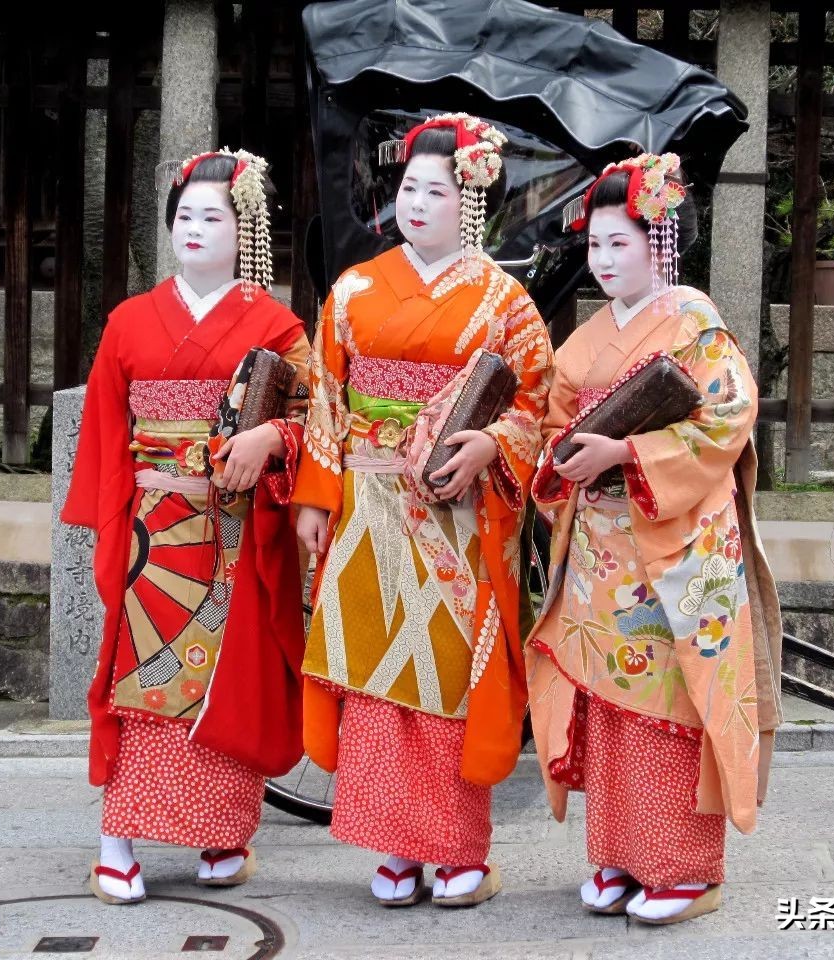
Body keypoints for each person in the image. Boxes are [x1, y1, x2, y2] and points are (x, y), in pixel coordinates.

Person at [293, 113, 553, 907]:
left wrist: (491, 446)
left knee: (447, 674)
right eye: (408, 188)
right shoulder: (355, 290)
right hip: (370, 506)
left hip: (458, 518)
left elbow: (536, 404)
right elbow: (325, 406)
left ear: (470, 202)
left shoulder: (506, 303)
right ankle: (395, 849)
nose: (415, 203)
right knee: (375, 669)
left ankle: (457, 850)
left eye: (435, 191)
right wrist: (316, 497)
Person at [526, 152, 782, 924]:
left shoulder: (698, 326)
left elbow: (726, 420)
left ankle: (684, 868)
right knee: (605, 696)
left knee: (672, 701)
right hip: (600, 545)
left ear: (659, 243)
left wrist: (627, 453)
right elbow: (550, 421)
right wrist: (564, 456)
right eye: (595, 246)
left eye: (619, 244)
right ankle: (616, 856)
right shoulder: (590, 336)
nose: (603, 262)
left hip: (675, 545)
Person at [61, 149, 310, 905]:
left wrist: (272, 440)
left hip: (237, 528)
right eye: (184, 216)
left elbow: (311, 418)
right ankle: (116, 839)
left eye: (215, 216)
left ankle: (222, 832)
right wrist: (110, 528)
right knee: (142, 677)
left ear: (248, 231)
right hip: (154, 527)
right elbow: (107, 432)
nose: (195, 229)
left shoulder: (276, 323)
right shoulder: (130, 322)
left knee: (232, 676)